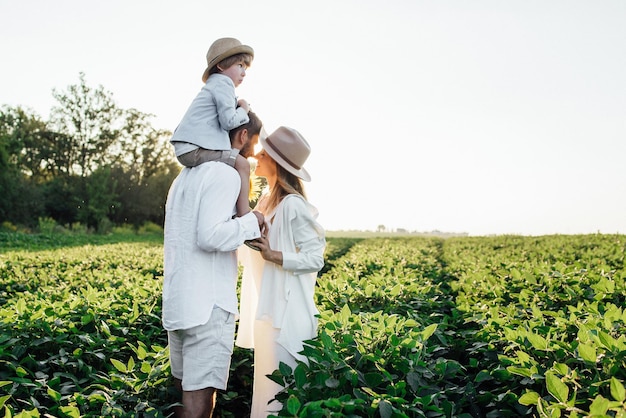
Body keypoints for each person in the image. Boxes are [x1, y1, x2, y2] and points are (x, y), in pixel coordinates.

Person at [163, 112, 265, 418]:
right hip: (208, 306)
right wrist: (252, 222)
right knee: (199, 403)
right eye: (254, 143)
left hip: (179, 301)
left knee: (184, 395)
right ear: (243, 135)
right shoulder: (225, 174)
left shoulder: (184, 177)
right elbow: (210, 236)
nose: (252, 153)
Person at [235, 126, 326, 417]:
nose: (256, 157)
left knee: (281, 398)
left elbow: (315, 257)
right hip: (268, 312)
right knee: (266, 396)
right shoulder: (265, 202)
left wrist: (274, 255)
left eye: (263, 153)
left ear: (276, 162)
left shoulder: (293, 206)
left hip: (287, 319)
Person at [170, 37, 255, 218]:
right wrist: (245, 109)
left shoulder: (214, 85)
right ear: (222, 67)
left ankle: (230, 210)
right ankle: (244, 215)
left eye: (245, 68)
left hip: (189, 148)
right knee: (242, 165)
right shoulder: (223, 83)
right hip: (193, 150)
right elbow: (228, 121)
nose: (244, 73)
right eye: (240, 65)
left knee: (232, 164)